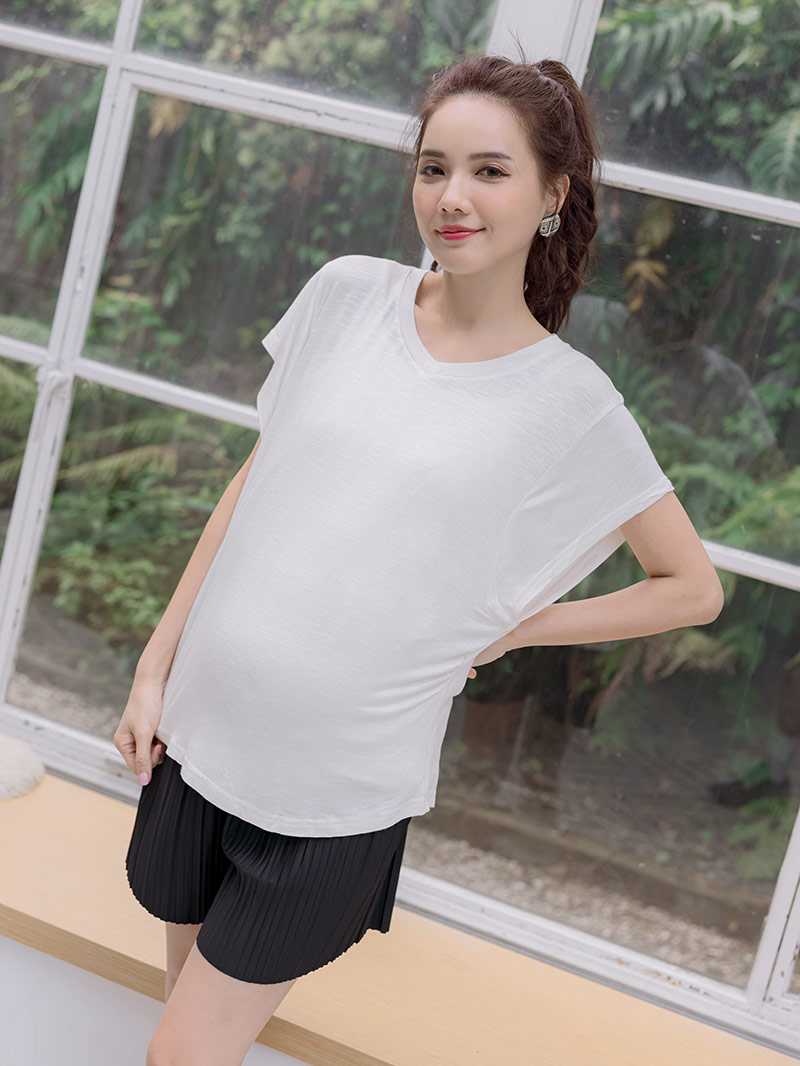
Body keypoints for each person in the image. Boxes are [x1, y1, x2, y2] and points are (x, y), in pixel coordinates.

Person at [115, 52, 723, 1066]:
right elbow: (254, 486)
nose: (452, 198)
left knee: (180, 1053)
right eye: (433, 167)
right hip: (203, 730)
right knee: (186, 1032)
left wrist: (511, 627)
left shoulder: (567, 402)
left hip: (332, 787)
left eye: (489, 171)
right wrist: (153, 667)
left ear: (552, 194)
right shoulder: (347, 294)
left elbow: (690, 587)